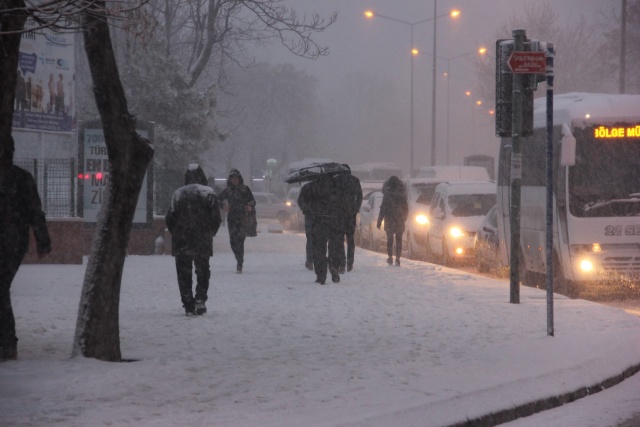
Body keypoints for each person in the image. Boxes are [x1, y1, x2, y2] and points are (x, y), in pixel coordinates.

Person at [0, 137, 51, 360]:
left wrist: (43, 241)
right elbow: (35, 212)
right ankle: (8, 343)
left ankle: (8, 343)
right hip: (14, 241)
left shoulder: (20, 179)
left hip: (11, 243)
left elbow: (34, 212)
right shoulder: (21, 179)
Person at [165, 164, 221, 316]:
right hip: (202, 240)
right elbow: (216, 219)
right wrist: (208, 234)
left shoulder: (178, 194)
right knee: (202, 271)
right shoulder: (208, 194)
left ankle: (188, 303)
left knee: (184, 273)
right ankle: (200, 299)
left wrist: (178, 233)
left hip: (182, 240)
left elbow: (169, 219)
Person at [303, 173, 345, 284]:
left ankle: (321, 275)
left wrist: (308, 211)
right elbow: (343, 204)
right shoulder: (336, 187)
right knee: (334, 247)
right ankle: (333, 265)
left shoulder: (310, 187)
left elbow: (301, 202)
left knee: (319, 250)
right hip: (334, 221)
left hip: (318, 222)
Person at [218, 169, 255, 274]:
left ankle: (240, 262)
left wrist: (250, 206)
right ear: (230, 180)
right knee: (233, 242)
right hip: (232, 219)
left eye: (236, 178)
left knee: (240, 241)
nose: (234, 180)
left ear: (239, 179)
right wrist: (223, 206)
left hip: (243, 218)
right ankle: (238, 258)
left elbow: (252, 200)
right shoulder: (228, 190)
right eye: (232, 178)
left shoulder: (245, 189)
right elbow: (218, 199)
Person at [377, 175, 409, 266]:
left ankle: (390, 257)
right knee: (399, 240)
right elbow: (406, 208)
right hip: (399, 220)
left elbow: (383, 208)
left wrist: (379, 221)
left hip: (389, 220)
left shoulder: (387, 194)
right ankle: (398, 258)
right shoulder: (402, 194)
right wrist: (404, 218)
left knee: (389, 240)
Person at [336, 165, 362, 273]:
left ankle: (342, 263)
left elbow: (333, 196)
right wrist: (355, 209)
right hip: (351, 214)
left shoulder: (336, 180)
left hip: (339, 214)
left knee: (340, 240)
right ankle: (350, 263)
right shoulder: (354, 180)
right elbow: (359, 196)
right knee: (350, 239)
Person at [296, 182, 314, 271]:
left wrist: (306, 209)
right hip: (321, 217)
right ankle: (318, 259)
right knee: (320, 239)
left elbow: (300, 201)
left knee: (310, 239)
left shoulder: (306, 187)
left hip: (310, 216)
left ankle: (310, 260)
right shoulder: (326, 186)